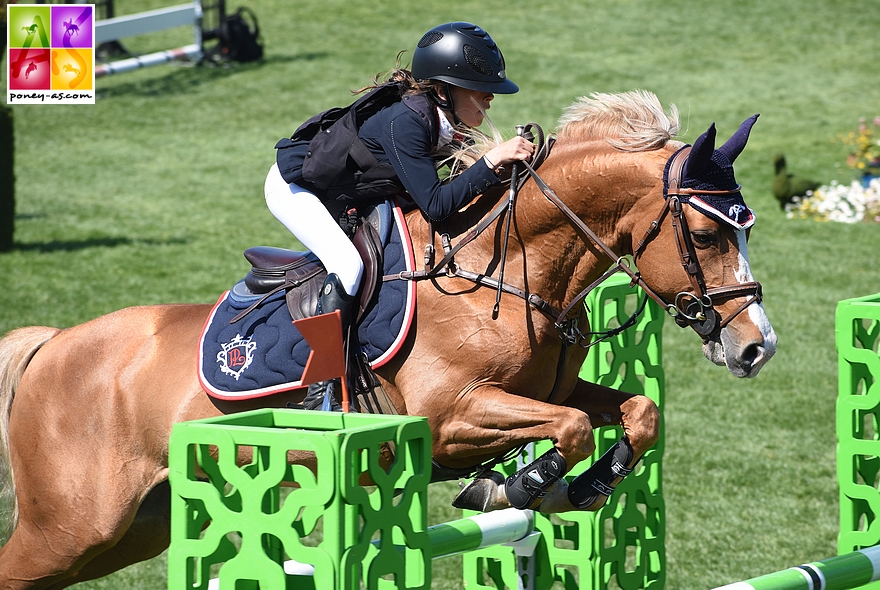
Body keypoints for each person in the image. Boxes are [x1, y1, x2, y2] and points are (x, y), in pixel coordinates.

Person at [265, 22, 535, 407]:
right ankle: (322, 385)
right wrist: (491, 161)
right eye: (480, 88)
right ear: (443, 89)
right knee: (347, 265)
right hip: (296, 189)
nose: (490, 97)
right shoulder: (406, 123)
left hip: (355, 191)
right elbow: (437, 204)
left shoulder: (442, 120)